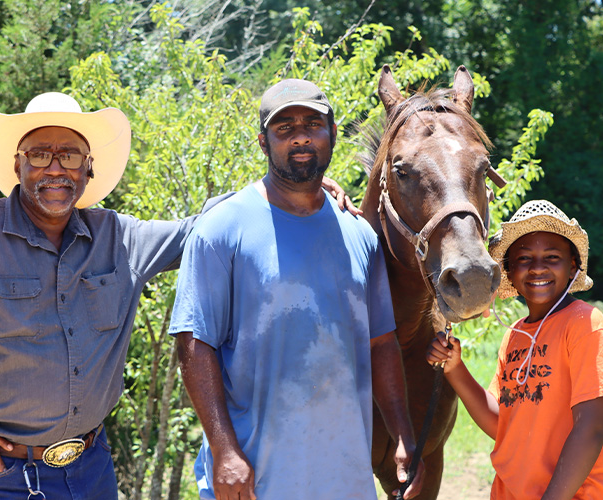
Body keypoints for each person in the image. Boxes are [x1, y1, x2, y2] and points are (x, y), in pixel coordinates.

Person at [0, 91, 356, 499]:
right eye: (39, 154)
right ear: (17, 165)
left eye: (71, 155)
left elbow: (198, 229)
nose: (56, 167)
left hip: (93, 469)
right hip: (4, 477)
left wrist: (300, 192)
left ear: (88, 167)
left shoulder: (118, 238)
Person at [169, 79, 424, 500]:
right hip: (253, 477)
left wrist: (401, 432)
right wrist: (224, 450)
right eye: (284, 127)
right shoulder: (221, 229)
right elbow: (195, 343)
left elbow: (381, 342)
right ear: (263, 142)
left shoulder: (359, 235)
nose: (302, 135)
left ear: (333, 133)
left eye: (313, 123)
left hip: (344, 476)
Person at [427, 199, 603, 500]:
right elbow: (502, 425)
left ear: (572, 264)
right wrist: (455, 370)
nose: (538, 268)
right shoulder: (515, 336)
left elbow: (592, 428)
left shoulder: (585, 324)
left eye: (551, 256)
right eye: (524, 259)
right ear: (508, 270)